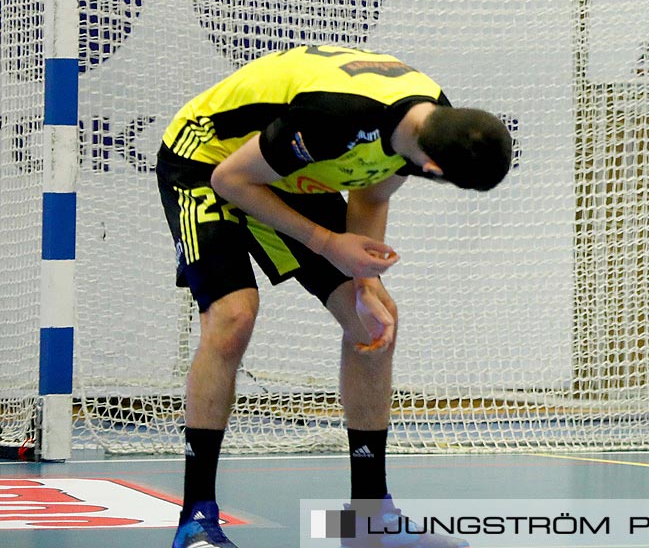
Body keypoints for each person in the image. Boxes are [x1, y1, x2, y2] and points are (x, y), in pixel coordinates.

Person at [160, 46, 512, 548]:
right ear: (434, 166)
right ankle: (196, 519)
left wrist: (366, 282)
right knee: (234, 314)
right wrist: (328, 244)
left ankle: (370, 519)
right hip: (208, 159)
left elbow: (370, 192)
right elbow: (231, 179)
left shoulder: (434, 117)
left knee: (373, 323)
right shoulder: (334, 118)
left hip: (282, 168)